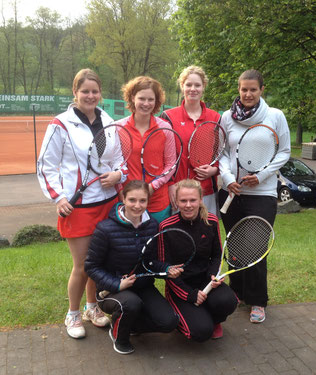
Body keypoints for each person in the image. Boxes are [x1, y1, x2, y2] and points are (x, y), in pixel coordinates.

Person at [37, 69, 125, 339]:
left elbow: (119, 158)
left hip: (107, 202)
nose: (90, 96)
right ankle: (72, 314)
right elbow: (45, 166)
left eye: (95, 91)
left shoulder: (108, 120)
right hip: (78, 206)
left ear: (100, 93)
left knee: (97, 263)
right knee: (83, 264)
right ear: (74, 92)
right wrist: (59, 197)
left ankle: (92, 308)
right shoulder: (60, 124)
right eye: (85, 91)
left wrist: (118, 174)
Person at [218, 69, 291, 323]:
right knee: (235, 247)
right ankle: (237, 292)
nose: (247, 94)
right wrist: (227, 179)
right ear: (238, 89)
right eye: (243, 89)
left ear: (261, 90)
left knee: (256, 247)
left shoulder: (275, 116)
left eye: (253, 89)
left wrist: (260, 176)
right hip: (231, 194)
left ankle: (258, 300)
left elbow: (284, 152)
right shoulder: (227, 117)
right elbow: (222, 153)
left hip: (262, 193)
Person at [84, 180, 181, 354]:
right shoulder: (105, 229)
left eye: (142, 201)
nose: (137, 206)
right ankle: (119, 334)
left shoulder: (152, 225)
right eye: (132, 200)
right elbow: (91, 267)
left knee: (169, 322)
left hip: (143, 287)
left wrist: (166, 270)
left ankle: (129, 323)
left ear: (148, 201)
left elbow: (151, 262)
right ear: (123, 199)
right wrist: (116, 284)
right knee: (131, 303)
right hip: (110, 291)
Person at [159, 179, 238, 342]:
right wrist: (189, 295)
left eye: (193, 200)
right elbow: (165, 268)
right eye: (183, 200)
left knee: (228, 301)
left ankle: (214, 319)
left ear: (201, 199)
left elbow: (217, 255)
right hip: (181, 287)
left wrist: (213, 275)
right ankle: (181, 316)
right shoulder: (166, 227)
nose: (188, 205)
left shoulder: (211, 221)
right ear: (176, 200)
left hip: (205, 282)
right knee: (201, 332)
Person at [115, 76, 177, 223]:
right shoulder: (118, 128)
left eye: (151, 99)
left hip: (158, 202)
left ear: (157, 101)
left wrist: (152, 187)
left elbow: (170, 165)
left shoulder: (165, 128)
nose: (146, 103)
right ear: (132, 98)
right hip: (129, 201)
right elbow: (114, 164)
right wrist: (121, 191)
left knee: (158, 245)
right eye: (141, 98)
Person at [161, 66, 221, 215]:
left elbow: (222, 152)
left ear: (203, 87)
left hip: (206, 191)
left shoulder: (216, 118)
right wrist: (170, 184)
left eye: (197, 85)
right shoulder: (168, 117)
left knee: (205, 235)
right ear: (182, 86)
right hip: (178, 192)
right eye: (188, 85)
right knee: (178, 237)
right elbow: (161, 155)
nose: (193, 89)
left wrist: (215, 169)